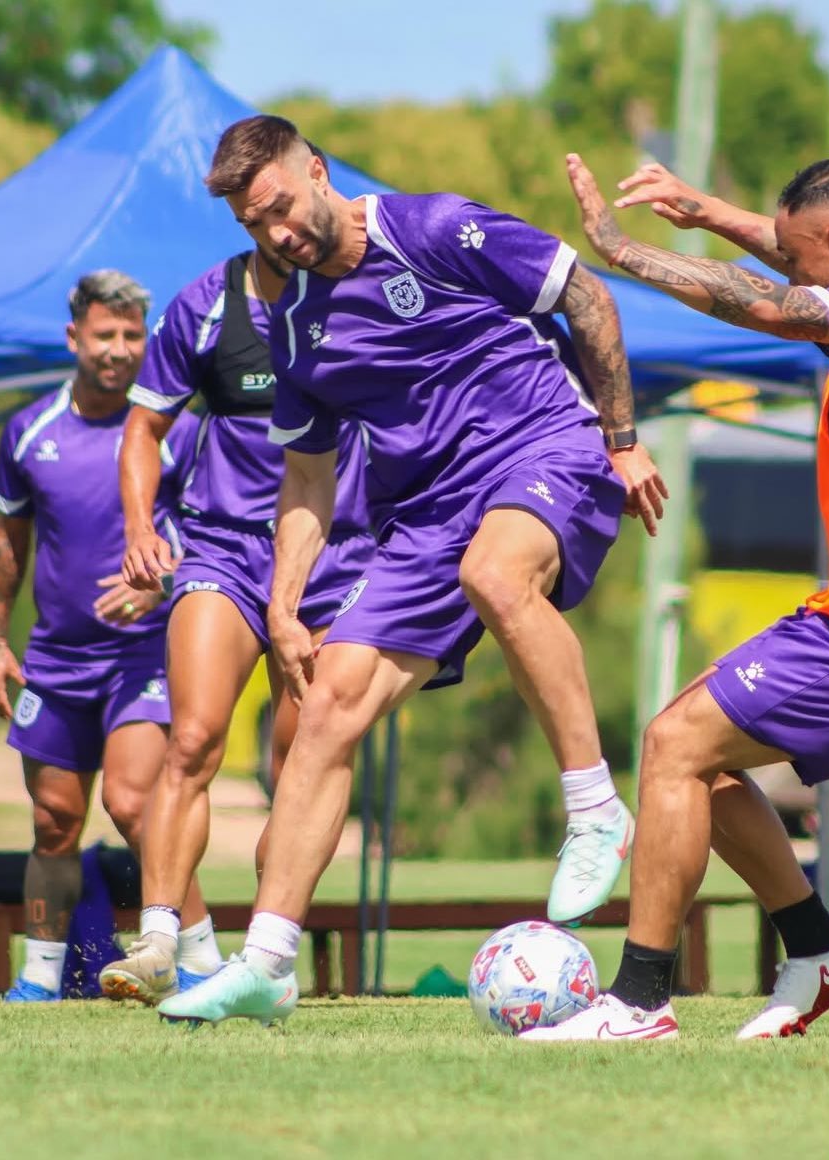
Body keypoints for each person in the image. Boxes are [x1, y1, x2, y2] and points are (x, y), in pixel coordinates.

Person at [153, 114, 666, 1026]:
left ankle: (594, 809)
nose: (276, 234)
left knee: (497, 575)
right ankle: (269, 962)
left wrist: (623, 441)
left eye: (279, 206)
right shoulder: (293, 327)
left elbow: (587, 298)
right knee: (328, 707)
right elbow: (308, 476)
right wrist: (281, 605)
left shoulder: (431, 229)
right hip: (424, 516)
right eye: (253, 227)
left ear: (315, 170)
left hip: (543, 445)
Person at [521, 157, 829, 1042]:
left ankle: (636, 1003)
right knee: (703, 765)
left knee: (670, 746)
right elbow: (802, 262)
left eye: (801, 256)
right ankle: (817, 948)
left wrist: (622, 253)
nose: (791, 271)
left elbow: (765, 303)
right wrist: (706, 211)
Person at [97, 197, 376, 1006]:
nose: (285, 235)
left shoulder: (362, 296)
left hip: (334, 555)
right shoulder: (206, 304)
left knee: (305, 755)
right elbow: (144, 429)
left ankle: (262, 957)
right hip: (223, 548)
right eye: (263, 220)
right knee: (193, 737)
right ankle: (158, 938)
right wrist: (142, 526)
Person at [0, 270, 214, 1001]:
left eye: (131, 336)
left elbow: (214, 534)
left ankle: (202, 964)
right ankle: (41, 982)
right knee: (54, 821)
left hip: (143, 656)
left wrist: (162, 582)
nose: (117, 350)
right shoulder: (29, 431)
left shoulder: (178, 433)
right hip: (54, 659)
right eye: (105, 335)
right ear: (74, 337)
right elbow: (8, 545)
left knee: (138, 804)